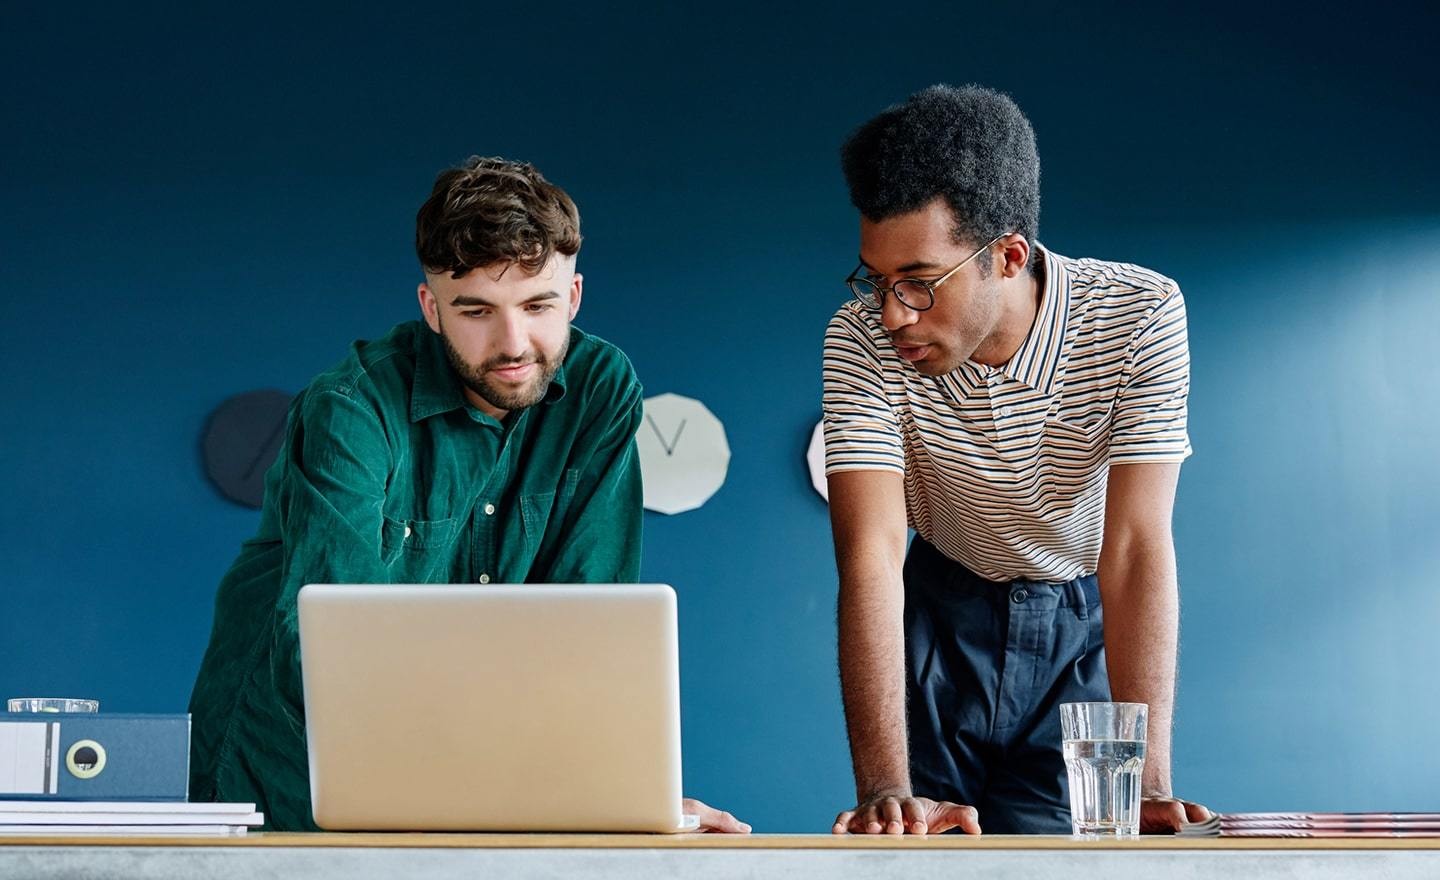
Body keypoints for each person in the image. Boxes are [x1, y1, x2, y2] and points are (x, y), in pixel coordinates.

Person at [188, 156, 748, 834]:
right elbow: (338, 653)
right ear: (432, 308)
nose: (513, 344)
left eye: (538, 306)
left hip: (471, 755)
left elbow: (585, 617)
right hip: (288, 752)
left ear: (572, 297)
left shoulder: (601, 388)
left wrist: (621, 795)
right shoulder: (350, 408)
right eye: (476, 311)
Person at [823, 85, 1210, 835]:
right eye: (876, 280)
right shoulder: (859, 337)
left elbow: (1132, 546)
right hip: (941, 610)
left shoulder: (1141, 313)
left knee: (1072, 852)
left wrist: (1150, 783)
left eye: (919, 284)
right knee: (916, 849)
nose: (892, 314)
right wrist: (883, 789)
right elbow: (869, 555)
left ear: (1007, 255)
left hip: (1079, 617)